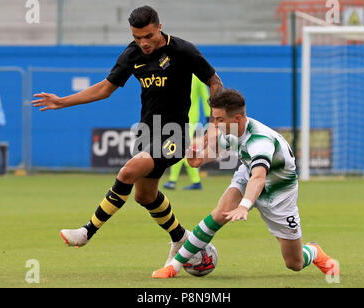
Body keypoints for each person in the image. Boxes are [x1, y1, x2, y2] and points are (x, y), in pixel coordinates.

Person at [31, 6, 223, 266]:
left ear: (159, 27)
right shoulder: (132, 54)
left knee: (127, 172)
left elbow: (214, 81)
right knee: (144, 196)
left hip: (175, 133)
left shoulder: (183, 50)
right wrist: (62, 102)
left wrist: (213, 126)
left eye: (148, 36)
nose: (143, 43)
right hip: (147, 132)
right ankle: (180, 238)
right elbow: (104, 88)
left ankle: (87, 232)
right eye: (137, 37)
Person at [152, 89, 339, 278]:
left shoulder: (260, 141)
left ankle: (314, 251)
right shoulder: (231, 130)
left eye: (219, 119)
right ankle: (173, 267)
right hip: (248, 174)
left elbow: (259, 177)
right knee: (219, 214)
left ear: (237, 118)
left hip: (279, 192)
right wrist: (197, 159)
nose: (214, 124)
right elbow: (213, 153)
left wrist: (244, 205)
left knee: (294, 263)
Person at [163, 74, 210, 190]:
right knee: (179, 148)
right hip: (178, 118)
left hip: (190, 119)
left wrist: (209, 116)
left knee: (181, 149)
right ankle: (193, 181)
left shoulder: (195, 76)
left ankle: (174, 180)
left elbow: (205, 98)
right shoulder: (182, 75)